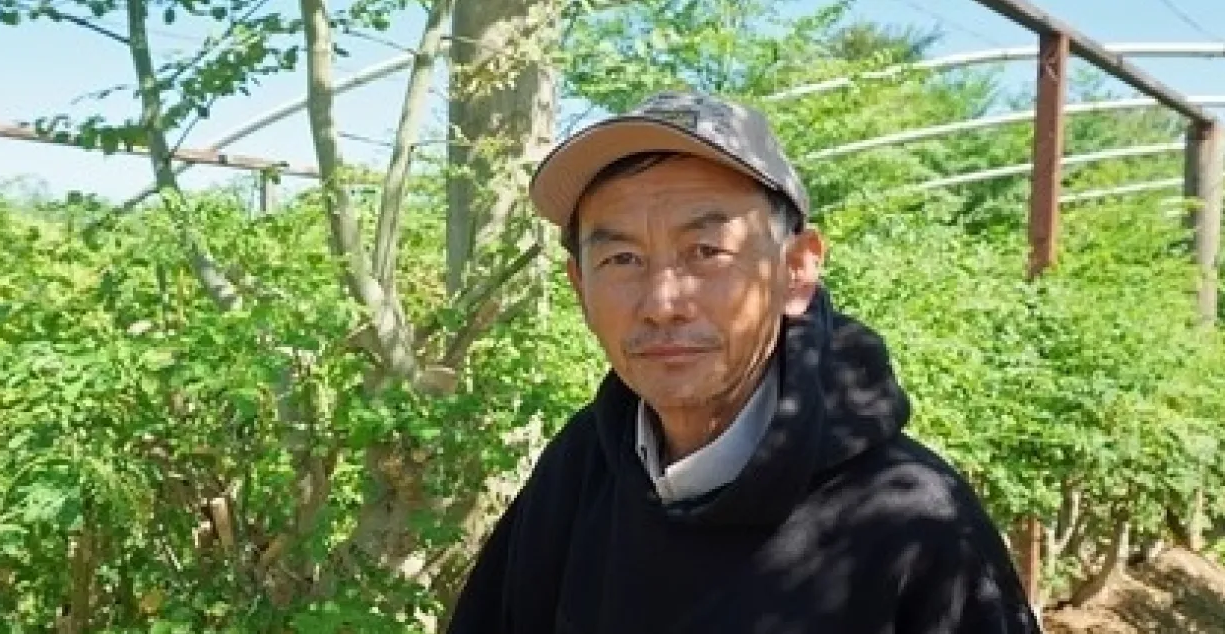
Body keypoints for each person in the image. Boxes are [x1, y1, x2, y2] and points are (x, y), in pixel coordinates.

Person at [443, 91, 1042, 633]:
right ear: (580, 286)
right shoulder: (582, 469)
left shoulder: (909, 515)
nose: (661, 304)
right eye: (622, 259)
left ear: (797, 270)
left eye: (705, 252)